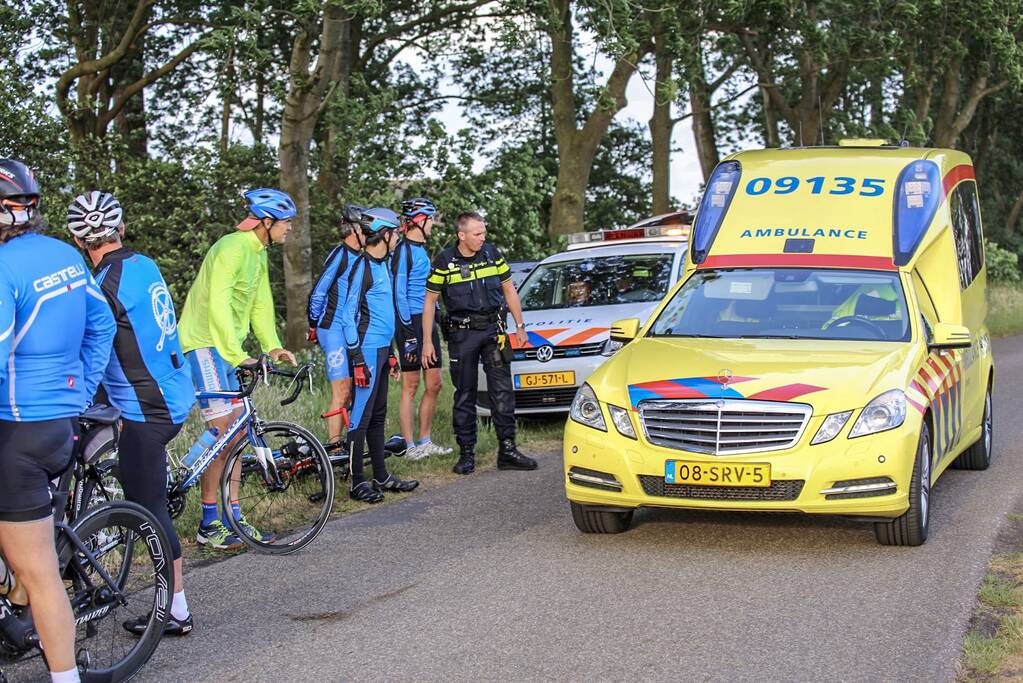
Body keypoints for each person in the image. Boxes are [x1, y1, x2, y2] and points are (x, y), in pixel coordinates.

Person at [0, 159, 116, 683]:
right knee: (32, 567)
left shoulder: (3, 269)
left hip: (15, 431)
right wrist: (81, 387)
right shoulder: (65, 255)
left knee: (41, 574)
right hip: (57, 425)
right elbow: (102, 323)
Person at [66, 191, 196, 636]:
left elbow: (93, 355)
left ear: (79, 240)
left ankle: (174, 610)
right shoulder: (145, 264)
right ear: (120, 229)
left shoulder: (99, 287)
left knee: (149, 509)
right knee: (142, 490)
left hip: (144, 409)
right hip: (173, 393)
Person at [177, 188, 298, 550]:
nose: (290, 227)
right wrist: (235, 354)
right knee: (222, 429)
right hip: (204, 344)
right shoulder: (232, 248)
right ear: (266, 222)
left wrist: (270, 345)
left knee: (234, 436)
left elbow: (260, 304)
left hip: (225, 349)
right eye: (287, 221)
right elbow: (216, 304)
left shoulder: (257, 253)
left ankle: (230, 518)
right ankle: (183, 485)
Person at [421, 212, 537, 475]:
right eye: (477, 234)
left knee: (502, 391)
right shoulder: (445, 261)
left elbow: (509, 290)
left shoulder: (492, 253)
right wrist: (428, 342)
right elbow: (429, 302)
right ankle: (466, 454)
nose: (483, 238)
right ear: (462, 235)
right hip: (463, 335)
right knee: (465, 394)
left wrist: (520, 327)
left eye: (484, 233)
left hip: (493, 332)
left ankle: (507, 449)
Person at [342, 208, 419, 503]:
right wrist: (358, 360)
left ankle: (381, 475)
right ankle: (357, 482)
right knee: (360, 418)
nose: (398, 237)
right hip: (366, 350)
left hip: (382, 350)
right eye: (396, 233)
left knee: (377, 415)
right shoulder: (361, 267)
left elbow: (384, 314)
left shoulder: (383, 265)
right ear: (384, 234)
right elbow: (348, 317)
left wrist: (392, 354)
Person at [391, 197, 452, 459]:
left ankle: (425, 441)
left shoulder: (421, 250)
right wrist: (407, 336)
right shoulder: (403, 251)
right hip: (410, 323)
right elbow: (399, 294)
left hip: (427, 321)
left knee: (435, 383)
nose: (432, 225)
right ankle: (409, 446)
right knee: (411, 385)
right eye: (430, 220)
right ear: (419, 220)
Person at [307, 204, 364, 448]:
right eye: (365, 228)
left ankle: (346, 446)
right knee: (341, 391)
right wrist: (313, 324)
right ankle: (333, 449)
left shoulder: (361, 257)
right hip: (332, 329)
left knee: (350, 392)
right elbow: (318, 292)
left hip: (349, 330)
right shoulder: (340, 255)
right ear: (354, 230)